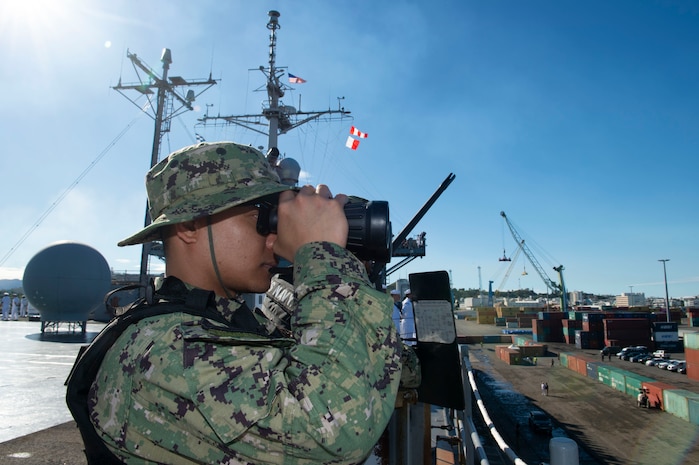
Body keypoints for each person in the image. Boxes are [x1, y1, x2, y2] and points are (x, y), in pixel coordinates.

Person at [85, 141, 402, 464]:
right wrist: (322, 255)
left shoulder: (223, 323)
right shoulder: (168, 349)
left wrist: (343, 274)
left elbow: (368, 376)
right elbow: (337, 436)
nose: (274, 240)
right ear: (190, 225)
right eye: (262, 220)